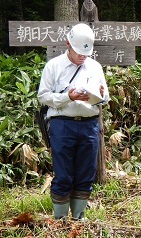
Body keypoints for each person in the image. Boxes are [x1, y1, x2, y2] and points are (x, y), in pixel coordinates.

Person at [37, 23, 109, 219]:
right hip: (62, 124)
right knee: (64, 174)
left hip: (89, 124)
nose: (82, 56)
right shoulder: (53, 66)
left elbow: (105, 97)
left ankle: (79, 216)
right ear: (68, 43)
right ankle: (60, 219)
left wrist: (99, 96)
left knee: (86, 172)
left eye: (85, 53)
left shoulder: (95, 66)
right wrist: (68, 97)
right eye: (78, 52)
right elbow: (43, 96)